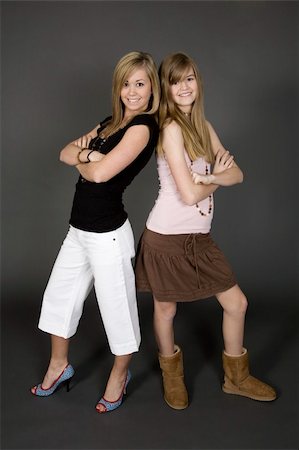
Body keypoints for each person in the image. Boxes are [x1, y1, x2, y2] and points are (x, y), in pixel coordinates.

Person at [135, 52, 276, 410]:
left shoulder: (203, 126)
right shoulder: (169, 128)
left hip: (199, 239)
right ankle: (172, 376)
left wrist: (210, 177)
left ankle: (237, 378)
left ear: (198, 83)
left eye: (190, 79)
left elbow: (238, 174)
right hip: (165, 238)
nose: (183, 87)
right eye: (175, 81)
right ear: (165, 88)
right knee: (166, 310)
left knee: (237, 303)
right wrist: (215, 180)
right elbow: (188, 193)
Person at [31, 51, 160, 414]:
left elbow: (102, 176)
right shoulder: (109, 124)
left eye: (140, 84)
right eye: (126, 83)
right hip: (78, 231)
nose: (132, 92)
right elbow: (63, 153)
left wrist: (86, 159)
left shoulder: (143, 128)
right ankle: (59, 367)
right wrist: (90, 157)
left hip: (108, 234)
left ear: (151, 89)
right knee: (58, 299)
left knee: (117, 311)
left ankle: (120, 375)